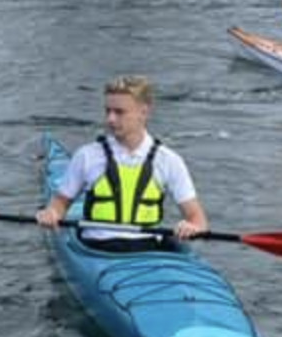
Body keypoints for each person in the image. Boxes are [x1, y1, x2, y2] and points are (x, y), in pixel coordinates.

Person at [35, 74, 208, 250]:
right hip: (96, 248)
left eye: (119, 112)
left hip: (148, 250)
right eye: (107, 111)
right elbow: (60, 204)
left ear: (144, 112)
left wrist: (191, 227)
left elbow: (198, 220)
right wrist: (51, 214)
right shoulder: (87, 156)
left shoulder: (169, 160)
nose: (110, 119)